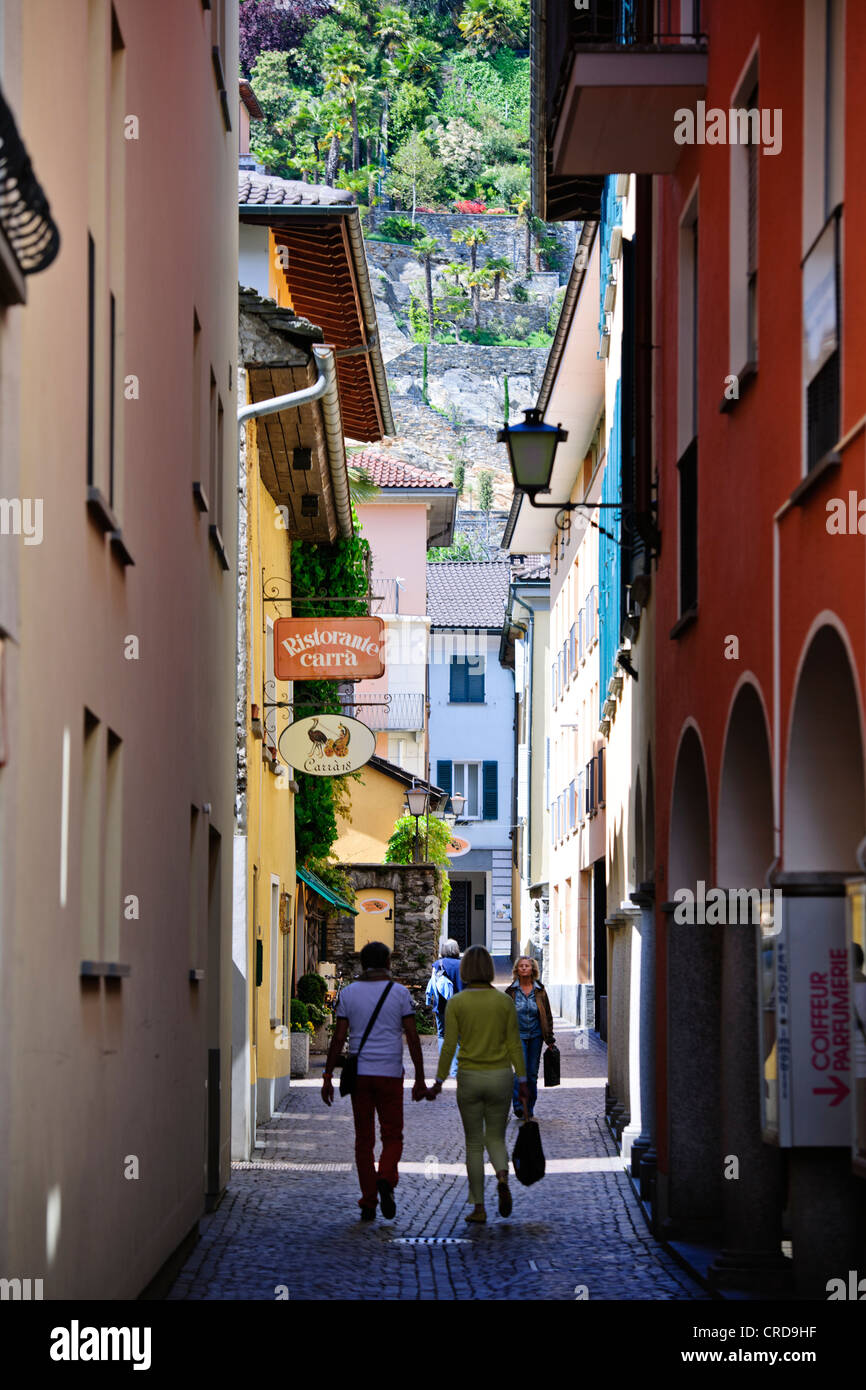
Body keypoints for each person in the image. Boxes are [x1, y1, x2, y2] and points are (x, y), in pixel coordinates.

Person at [321, 941, 427, 1222]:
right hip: (390, 1073)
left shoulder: (350, 994)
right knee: (393, 1135)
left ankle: (369, 1200)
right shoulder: (400, 994)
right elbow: (413, 1037)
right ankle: (386, 1177)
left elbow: (339, 1038)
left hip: (361, 1076)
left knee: (363, 1140)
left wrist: (328, 1075)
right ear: (388, 963)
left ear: (363, 964)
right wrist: (419, 1076)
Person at [427, 945, 529, 1224]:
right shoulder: (503, 1002)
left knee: (473, 1143)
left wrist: (438, 1080)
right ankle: (502, 1177)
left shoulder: (458, 1004)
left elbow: (448, 1046)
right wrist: (522, 1080)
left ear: (465, 970)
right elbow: (514, 1045)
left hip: (470, 1078)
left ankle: (479, 1207)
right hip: (500, 1077)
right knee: (495, 1136)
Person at [505, 956, 556, 1120]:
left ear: (533, 969)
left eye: (527, 966)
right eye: (521, 966)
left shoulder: (540, 991)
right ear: (517, 970)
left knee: (532, 1073)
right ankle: (519, 1106)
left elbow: (547, 1015)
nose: (524, 968)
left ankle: (530, 1107)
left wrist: (550, 1039)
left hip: (536, 1036)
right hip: (517, 1035)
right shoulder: (511, 992)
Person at [425, 937, 463, 1077]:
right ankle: (456, 1069)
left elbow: (433, 986)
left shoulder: (438, 965)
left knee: (442, 1035)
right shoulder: (464, 965)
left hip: (442, 1006)